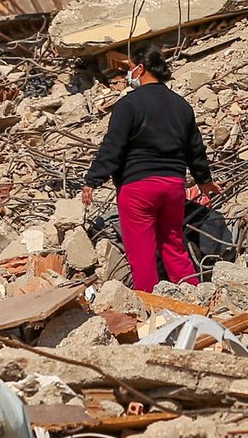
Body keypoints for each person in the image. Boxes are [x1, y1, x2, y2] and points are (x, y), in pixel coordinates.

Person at [81, 48, 218, 291]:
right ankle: (195, 296)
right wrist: (204, 181)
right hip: (173, 187)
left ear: (141, 68)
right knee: (174, 245)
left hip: (138, 189)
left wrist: (93, 179)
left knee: (142, 254)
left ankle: (148, 307)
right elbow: (195, 148)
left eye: (129, 68)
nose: (127, 75)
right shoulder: (181, 106)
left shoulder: (128, 105)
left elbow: (113, 146)